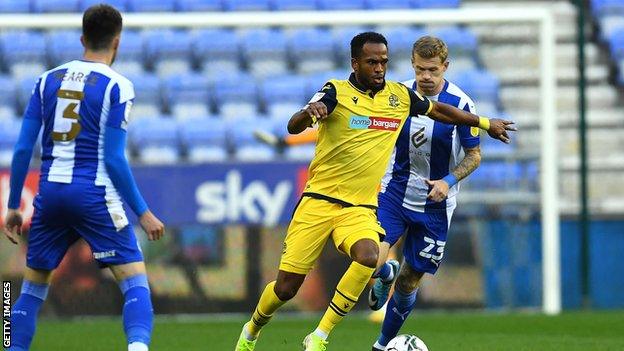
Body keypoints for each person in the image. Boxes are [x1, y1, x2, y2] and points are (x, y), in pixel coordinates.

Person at [235, 31, 514, 351]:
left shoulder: (398, 97)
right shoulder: (334, 91)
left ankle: (320, 336)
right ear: (355, 64)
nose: (380, 68)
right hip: (320, 201)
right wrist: (309, 113)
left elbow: (441, 112)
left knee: (369, 256)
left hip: (361, 206)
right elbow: (294, 125)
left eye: (383, 62)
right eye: (372, 62)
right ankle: (252, 329)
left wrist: (484, 122)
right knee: (286, 289)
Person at [2, 5, 164, 351]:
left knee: (31, 291)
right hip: (94, 194)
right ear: (117, 43)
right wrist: (143, 211)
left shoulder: (46, 80)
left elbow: (20, 149)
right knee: (134, 283)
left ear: (82, 39)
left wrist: (14, 205)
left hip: (50, 195)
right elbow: (114, 160)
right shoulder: (118, 86)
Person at [368, 36, 485, 351]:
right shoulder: (398, 96)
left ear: (445, 67)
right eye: (420, 69)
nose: (426, 76)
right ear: (412, 66)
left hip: (436, 205)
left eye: (432, 69)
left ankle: (381, 345)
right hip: (395, 192)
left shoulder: (462, 105)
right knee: (370, 256)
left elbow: (474, 156)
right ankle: (382, 273)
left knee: (409, 281)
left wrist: (447, 180)